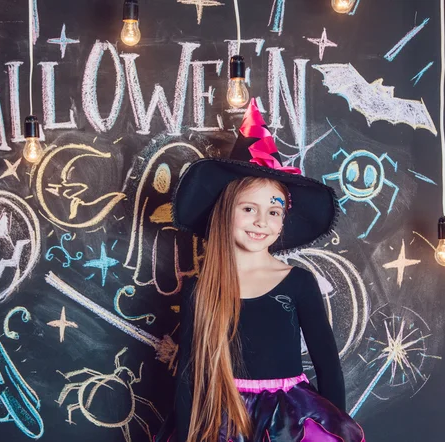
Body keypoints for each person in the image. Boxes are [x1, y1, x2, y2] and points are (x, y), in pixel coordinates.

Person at [154, 100, 365, 442]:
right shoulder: (200, 288)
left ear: (283, 222)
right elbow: (189, 377)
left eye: (274, 211)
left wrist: (334, 428)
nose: (261, 222)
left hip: (288, 422)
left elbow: (328, 366)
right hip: (222, 419)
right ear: (225, 212)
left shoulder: (298, 282)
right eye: (249, 208)